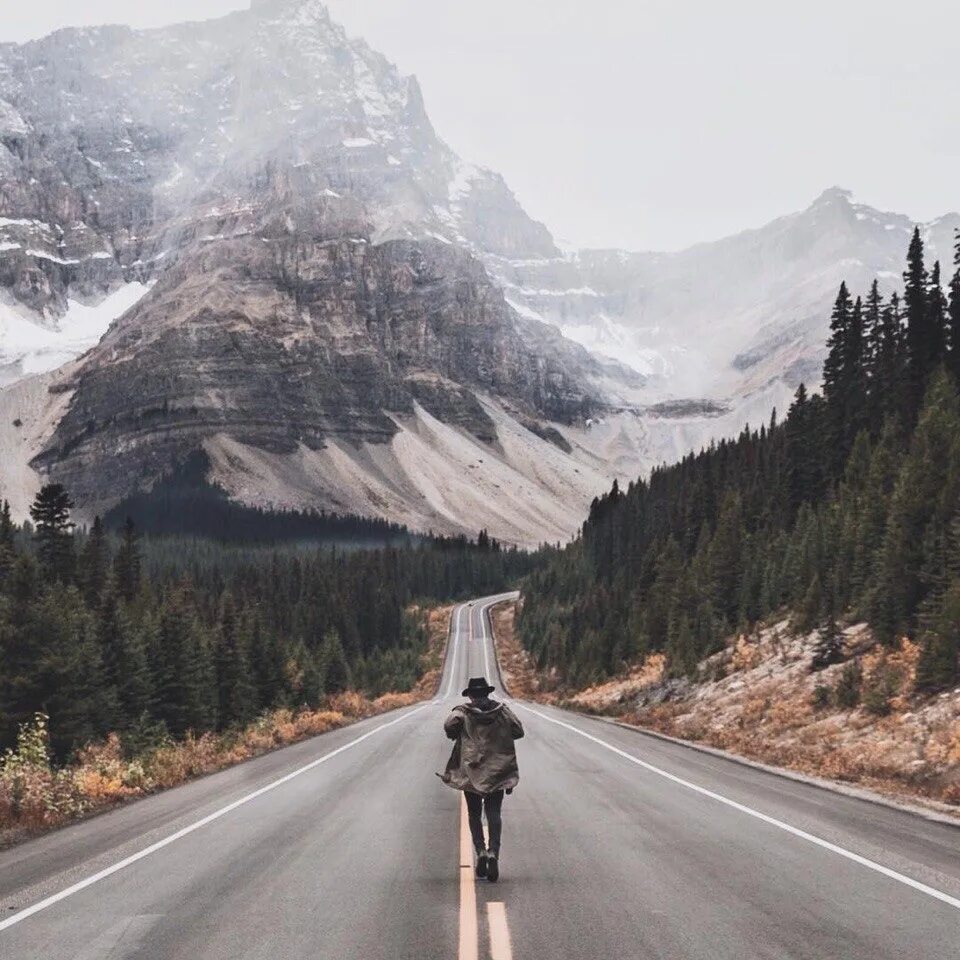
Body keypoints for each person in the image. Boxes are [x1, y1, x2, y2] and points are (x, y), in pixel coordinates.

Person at [439, 676, 524, 882]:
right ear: (487, 693)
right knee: (494, 812)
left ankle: (481, 852)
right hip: (497, 770)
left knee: (474, 813)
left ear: (471, 696)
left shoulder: (464, 712)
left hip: (472, 770)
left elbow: (449, 726)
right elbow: (518, 731)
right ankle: (494, 851)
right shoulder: (502, 711)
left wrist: (459, 717)